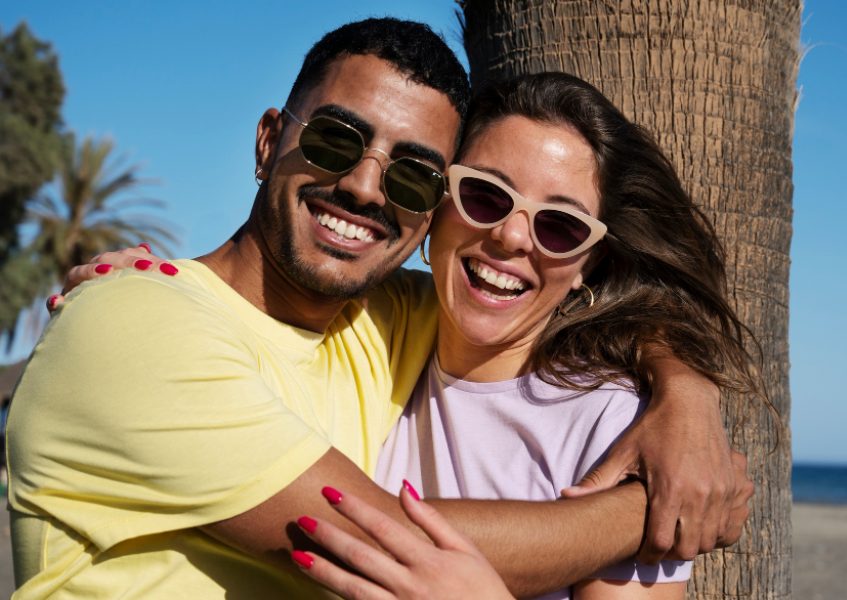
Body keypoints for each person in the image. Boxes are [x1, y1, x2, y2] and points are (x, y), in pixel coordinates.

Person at [8, 18, 749, 598]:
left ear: (428, 211)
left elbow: (550, 298)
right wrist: (645, 508)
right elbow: (378, 542)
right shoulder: (136, 325)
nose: (365, 188)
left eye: (413, 174)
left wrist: (687, 392)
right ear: (269, 141)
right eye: (336, 140)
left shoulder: (391, 317)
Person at [286, 72, 760, 599]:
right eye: (485, 196)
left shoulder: (616, 427)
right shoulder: (368, 324)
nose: (512, 237)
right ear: (439, 201)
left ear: (588, 261)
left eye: (560, 226)